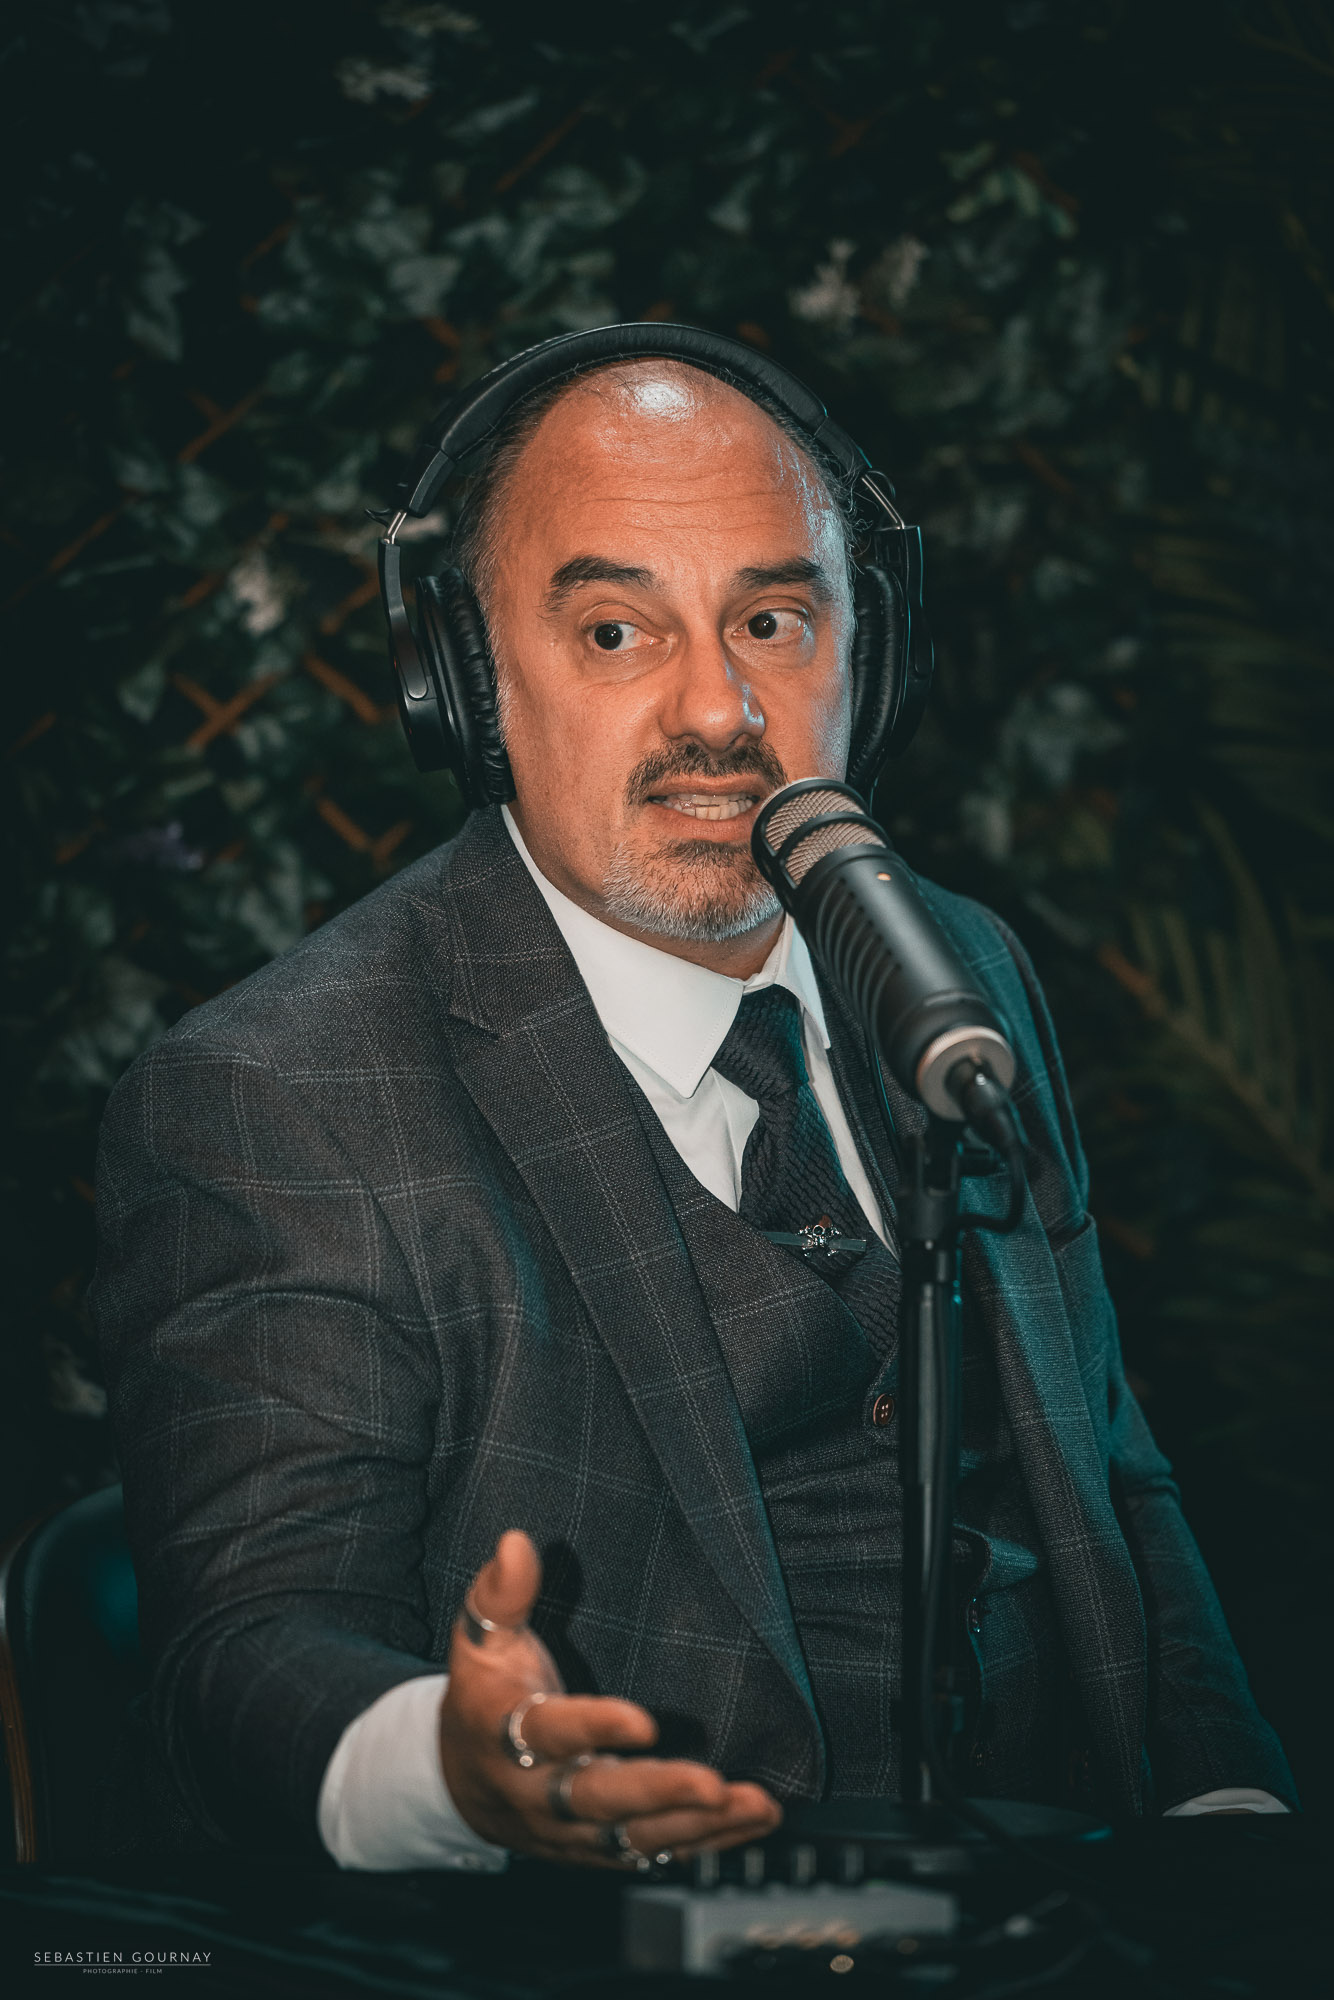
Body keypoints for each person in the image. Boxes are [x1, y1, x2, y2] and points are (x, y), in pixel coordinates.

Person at [91, 334, 1294, 1872]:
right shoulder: (274, 1090)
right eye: (614, 632)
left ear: (870, 652)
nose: (720, 710)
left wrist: (1229, 1822)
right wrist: (456, 1769)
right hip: (616, 1939)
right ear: (464, 681)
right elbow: (248, 1637)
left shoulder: (956, 970)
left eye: (772, 622)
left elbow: (1109, 1472)